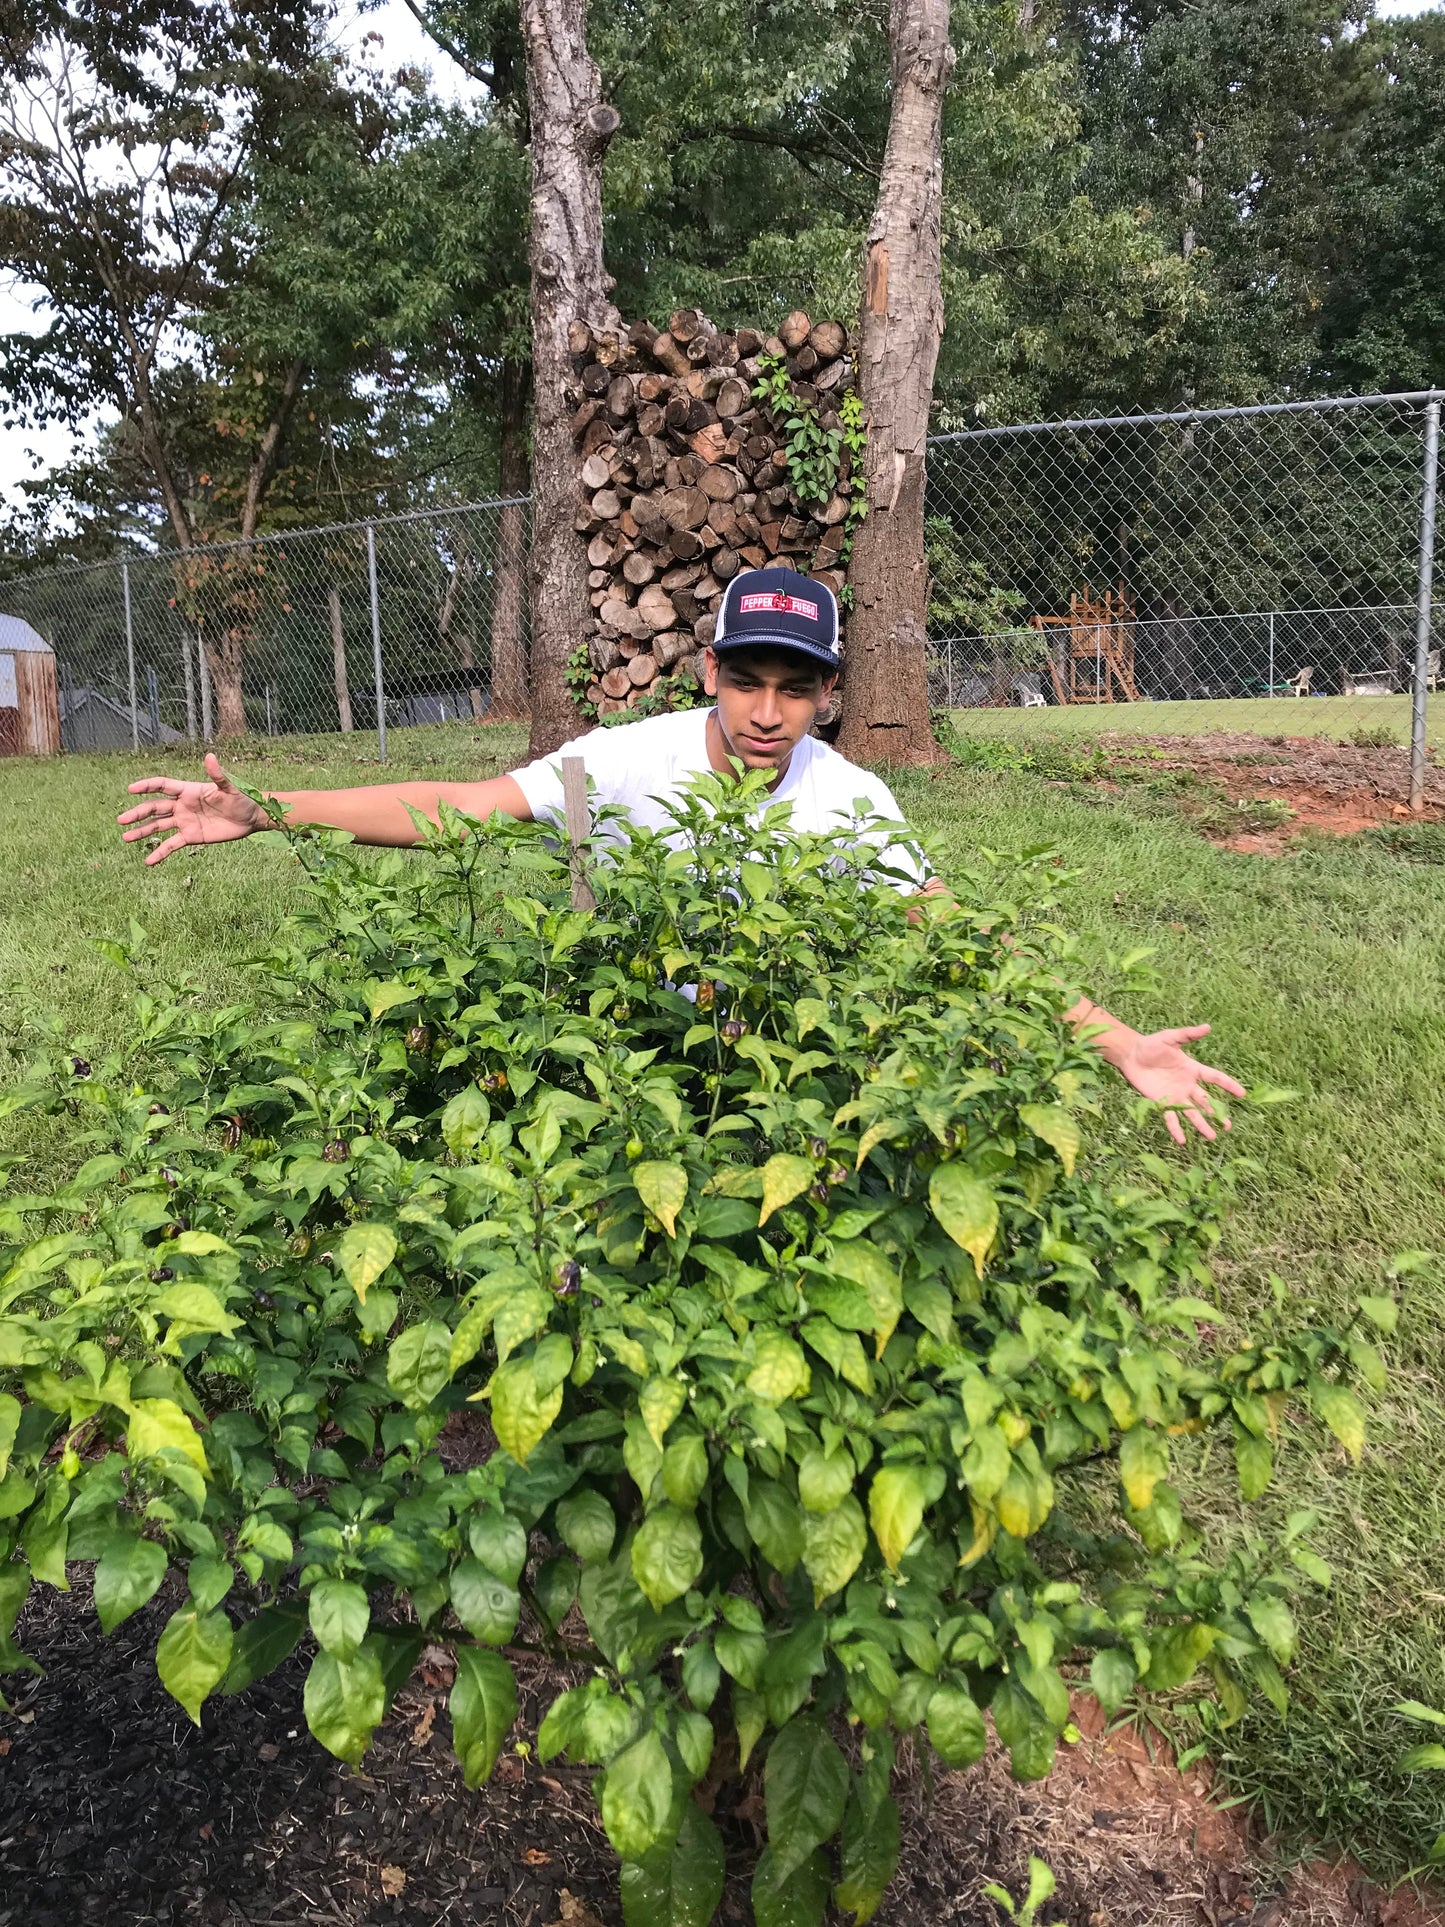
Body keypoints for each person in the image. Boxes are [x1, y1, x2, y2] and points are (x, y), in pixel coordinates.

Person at [118, 565, 1243, 1143]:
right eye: (746, 680)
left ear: (824, 694)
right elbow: (457, 804)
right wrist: (268, 808)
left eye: (793, 689)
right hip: (617, 1023)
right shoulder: (622, 759)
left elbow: (952, 937)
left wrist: (1111, 1042)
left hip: (777, 1045)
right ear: (707, 670)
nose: (765, 713)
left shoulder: (851, 800)